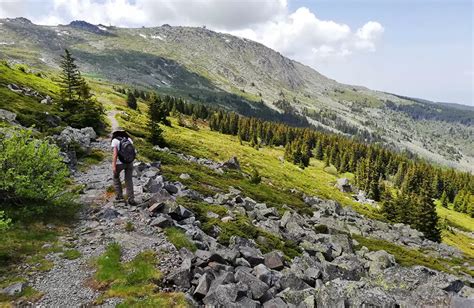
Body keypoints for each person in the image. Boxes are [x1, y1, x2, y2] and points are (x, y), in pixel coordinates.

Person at [111, 128, 136, 205]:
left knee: (116, 177)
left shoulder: (115, 140)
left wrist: (113, 165)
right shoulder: (128, 139)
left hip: (120, 163)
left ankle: (119, 196)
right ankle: (131, 198)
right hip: (129, 162)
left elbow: (115, 154)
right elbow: (133, 151)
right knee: (129, 180)